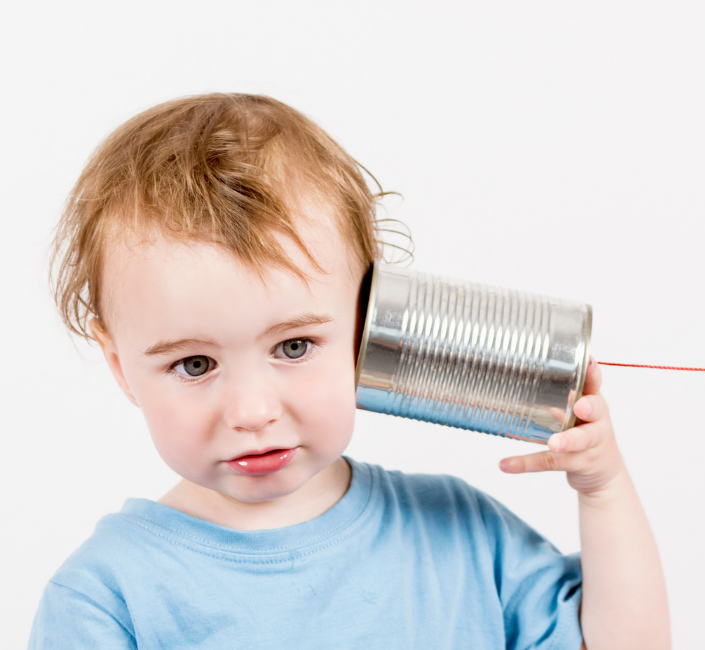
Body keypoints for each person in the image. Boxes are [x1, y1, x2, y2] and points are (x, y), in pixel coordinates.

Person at [29, 93, 670, 649]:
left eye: (295, 347)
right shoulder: (104, 598)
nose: (253, 411)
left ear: (368, 326)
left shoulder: (462, 533)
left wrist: (604, 490)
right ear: (120, 367)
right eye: (194, 364)